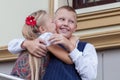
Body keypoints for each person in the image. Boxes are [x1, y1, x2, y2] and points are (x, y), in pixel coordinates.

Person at [8, 6, 98, 80]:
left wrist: (71, 46)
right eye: (62, 19)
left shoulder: (87, 48)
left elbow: (90, 77)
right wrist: (26, 43)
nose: (66, 24)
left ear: (75, 27)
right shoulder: (44, 40)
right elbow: (13, 44)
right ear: (55, 22)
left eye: (71, 22)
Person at [9, 10, 72, 80]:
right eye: (52, 22)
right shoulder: (47, 37)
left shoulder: (31, 40)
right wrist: (72, 41)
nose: (55, 23)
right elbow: (69, 59)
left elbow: (10, 46)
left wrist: (25, 43)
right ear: (42, 29)